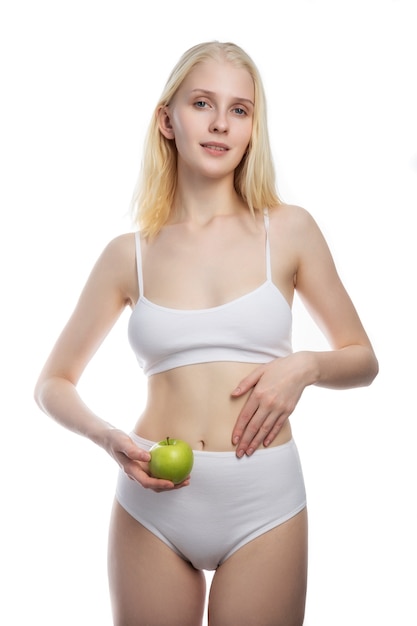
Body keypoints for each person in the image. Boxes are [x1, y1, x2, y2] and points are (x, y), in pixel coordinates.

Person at [34, 41, 378, 626]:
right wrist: (108, 437)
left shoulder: (289, 231)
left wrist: (306, 367)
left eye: (239, 110)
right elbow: (52, 383)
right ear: (167, 120)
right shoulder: (128, 256)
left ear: (252, 128)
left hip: (262, 500)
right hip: (153, 504)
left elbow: (363, 358)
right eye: (202, 103)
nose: (220, 123)